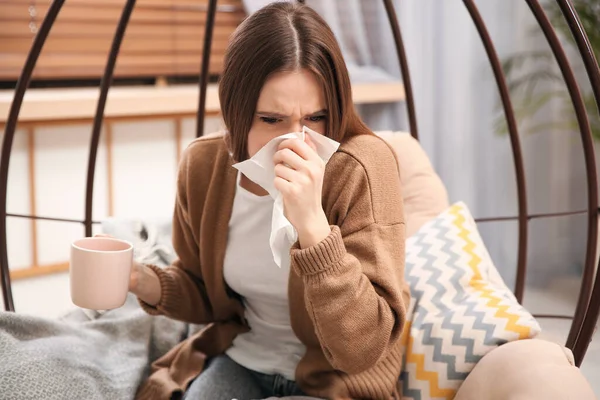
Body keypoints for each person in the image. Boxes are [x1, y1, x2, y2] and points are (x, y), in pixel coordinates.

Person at [129, 2, 409, 399]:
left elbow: (362, 347)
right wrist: (139, 279)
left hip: (336, 380)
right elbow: (206, 294)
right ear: (236, 112)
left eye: (316, 117)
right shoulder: (204, 165)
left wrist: (312, 224)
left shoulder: (362, 168)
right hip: (243, 359)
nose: (295, 141)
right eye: (271, 120)